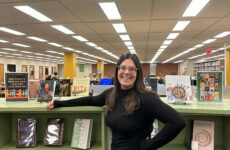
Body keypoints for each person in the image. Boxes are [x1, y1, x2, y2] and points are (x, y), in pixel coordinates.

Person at [47, 53, 186, 150]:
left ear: (137, 74)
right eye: (123, 68)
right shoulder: (112, 94)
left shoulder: (146, 98)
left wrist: (148, 146)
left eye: (132, 69)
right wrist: (59, 103)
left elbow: (178, 122)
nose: (126, 72)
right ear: (117, 71)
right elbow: (90, 100)